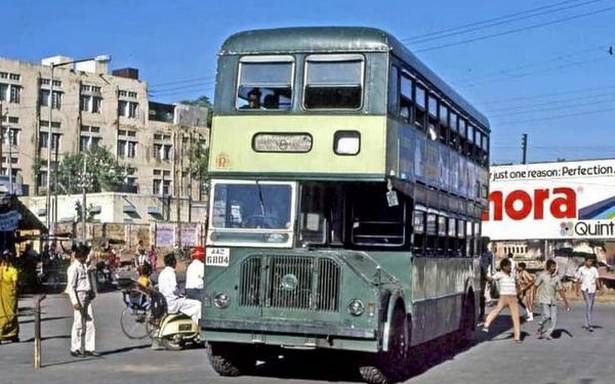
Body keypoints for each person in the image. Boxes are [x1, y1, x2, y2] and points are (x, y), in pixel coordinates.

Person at [66, 243, 98, 357]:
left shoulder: (83, 265)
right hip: (78, 295)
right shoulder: (73, 268)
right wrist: (75, 302)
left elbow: (86, 281)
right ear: (81, 255)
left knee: (90, 322)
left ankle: (89, 347)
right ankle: (75, 348)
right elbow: (71, 287)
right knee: (78, 323)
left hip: (86, 295)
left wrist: (91, 292)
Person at [482, 258, 522, 343]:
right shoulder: (499, 274)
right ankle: (486, 324)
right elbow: (491, 279)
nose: (510, 267)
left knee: (516, 317)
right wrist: (484, 275)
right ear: (503, 267)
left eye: (510, 266)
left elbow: (517, 284)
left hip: (513, 297)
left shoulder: (513, 275)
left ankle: (517, 337)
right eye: (508, 266)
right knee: (497, 310)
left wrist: (519, 291)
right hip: (504, 297)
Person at [531, 259, 570, 340]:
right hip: (544, 299)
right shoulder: (542, 275)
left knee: (554, 318)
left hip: (553, 300)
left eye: (555, 266)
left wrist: (566, 302)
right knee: (547, 315)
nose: (554, 268)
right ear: (548, 267)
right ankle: (540, 325)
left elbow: (561, 290)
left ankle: (548, 333)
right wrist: (534, 298)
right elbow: (535, 286)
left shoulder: (557, 278)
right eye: (552, 266)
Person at [158, 253, 201, 324]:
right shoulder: (170, 273)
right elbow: (174, 290)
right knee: (198, 305)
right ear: (173, 262)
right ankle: (197, 328)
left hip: (166, 302)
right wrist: (183, 293)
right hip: (173, 303)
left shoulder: (162, 273)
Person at [575, 255, 601, 332]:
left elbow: (597, 279)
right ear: (585, 261)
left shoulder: (594, 269)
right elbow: (577, 279)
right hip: (584, 289)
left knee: (590, 306)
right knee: (589, 305)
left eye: (591, 261)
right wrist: (577, 290)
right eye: (589, 261)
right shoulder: (581, 269)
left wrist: (600, 288)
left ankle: (586, 323)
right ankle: (590, 325)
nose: (590, 262)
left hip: (592, 289)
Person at [0, 251, 19, 343]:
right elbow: (14, 285)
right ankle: (12, 335)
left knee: (1, 314)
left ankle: (1, 333)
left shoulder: (0, 270)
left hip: (1, 296)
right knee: (12, 313)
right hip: (10, 296)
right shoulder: (14, 271)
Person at [479, 239, 494, 321]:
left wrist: (490, 276)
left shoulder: (489, 254)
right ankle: (481, 313)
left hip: (483, 276)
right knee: (481, 295)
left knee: (481, 295)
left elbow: (491, 266)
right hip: (479, 275)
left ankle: (482, 313)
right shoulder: (477, 253)